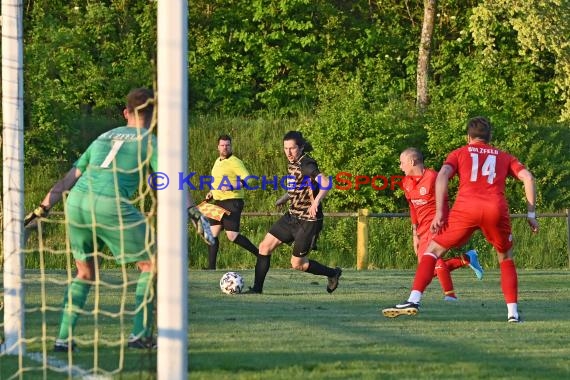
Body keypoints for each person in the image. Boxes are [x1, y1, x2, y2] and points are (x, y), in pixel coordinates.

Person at [24, 88, 213, 352]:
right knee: (153, 264)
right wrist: (193, 211)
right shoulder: (150, 141)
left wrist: (42, 209)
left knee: (85, 272)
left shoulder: (102, 138)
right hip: (110, 205)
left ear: (126, 113)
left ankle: (63, 338)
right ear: (154, 114)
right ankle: (140, 334)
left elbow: (70, 177)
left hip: (76, 204)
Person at [383, 116, 538, 322]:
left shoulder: (459, 153)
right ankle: (513, 314)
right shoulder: (503, 156)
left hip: (466, 208)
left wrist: (439, 212)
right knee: (506, 258)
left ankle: (414, 299)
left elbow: (443, 175)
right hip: (495, 209)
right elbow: (527, 177)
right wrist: (531, 214)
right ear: (489, 137)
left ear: (468, 137)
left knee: (433, 251)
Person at [244, 131, 342, 294]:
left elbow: (326, 183)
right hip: (292, 216)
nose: (288, 152)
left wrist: (316, 202)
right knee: (264, 247)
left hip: (308, 221)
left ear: (301, 147)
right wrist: (284, 198)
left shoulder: (307, 164)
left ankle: (333, 273)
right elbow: (298, 187)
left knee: (298, 264)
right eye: (285, 148)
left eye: (292, 148)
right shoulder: (292, 163)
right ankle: (257, 290)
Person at [399, 147, 484, 301]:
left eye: (402, 162)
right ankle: (466, 259)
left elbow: (445, 202)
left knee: (432, 259)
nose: (400, 166)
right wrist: (414, 234)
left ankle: (450, 296)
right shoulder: (406, 182)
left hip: (437, 225)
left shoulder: (433, 177)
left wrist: (442, 221)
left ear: (412, 162)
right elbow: (412, 207)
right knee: (427, 269)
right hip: (422, 230)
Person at [204, 134, 259, 269]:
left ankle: (261, 255)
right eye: (222, 145)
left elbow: (250, 180)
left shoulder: (235, 161)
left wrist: (232, 186)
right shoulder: (217, 161)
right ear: (218, 147)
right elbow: (217, 180)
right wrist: (212, 192)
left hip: (232, 201)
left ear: (231, 146)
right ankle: (211, 268)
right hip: (218, 202)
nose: (225, 148)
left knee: (232, 236)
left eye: (227, 145)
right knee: (212, 234)